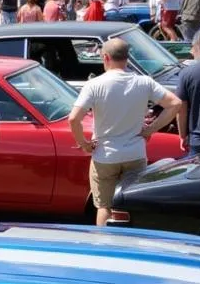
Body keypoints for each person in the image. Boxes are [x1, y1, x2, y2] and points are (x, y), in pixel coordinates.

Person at [67, 38, 182, 226]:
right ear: (127, 59)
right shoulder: (144, 82)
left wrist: (85, 144)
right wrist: (150, 129)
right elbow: (175, 104)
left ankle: (104, 245)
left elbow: (74, 119)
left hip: (105, 154)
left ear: (105, 58)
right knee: (132, 204)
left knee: (104, 206)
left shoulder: (95, 84)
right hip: (135, 153)